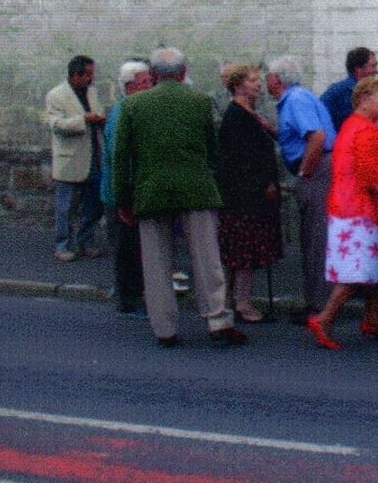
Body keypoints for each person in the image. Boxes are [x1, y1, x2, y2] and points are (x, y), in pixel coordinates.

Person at [113, 47, 246, 348]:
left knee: (157, 263)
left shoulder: (133, 105)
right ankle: (218, 320)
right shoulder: (200, 101)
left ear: (154, 75)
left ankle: (164, 328)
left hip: (151, 189)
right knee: (207, 258)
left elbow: (122, 157)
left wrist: (123, 198)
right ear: (184, 73)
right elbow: (212, 148)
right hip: (195, 187)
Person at [307, 77, 378, 350]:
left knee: (373, 268)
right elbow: (372, 176)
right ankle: (324, 319)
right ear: (363, 100)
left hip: (350, 207)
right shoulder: (365, 131)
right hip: (358, 211)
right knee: (357, 272)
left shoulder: (354, 127)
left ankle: (372, 319)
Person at [266, 56, 338, 321]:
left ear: (276, 79)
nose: (266, 83)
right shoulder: (301, 97)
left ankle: (319, 306)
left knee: (316, 237)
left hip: (317, 167)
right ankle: (319, 302)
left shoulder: (295, 100)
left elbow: (317, 137)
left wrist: (304, 173)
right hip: (321, 165)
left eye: (268, 77)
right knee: (316, 235)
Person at [217, 64, 283, 323]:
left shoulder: (250, 114)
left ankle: (234, 300)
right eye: (252, 80)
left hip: (251, 196)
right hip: (243, 197)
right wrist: (262, 183)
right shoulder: (236, 117)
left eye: (258, 80)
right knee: (242, 252)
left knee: (244, 251)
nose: (258, 84)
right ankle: (241, 303)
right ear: (238, 86)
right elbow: (239, 160)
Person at [100, 59, 151, 315]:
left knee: (132, 249)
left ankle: (131, 295)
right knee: (126, 250)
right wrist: (125, 198)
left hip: (125, 193)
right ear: (131, 86)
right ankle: (128, 300)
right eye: (146, 82)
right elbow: (121, 158)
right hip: (120, 195)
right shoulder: (124, 113)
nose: (150, 86)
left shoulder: (130, 109)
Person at [45, 54, 106, 262]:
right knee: (66, 207)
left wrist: (99, 119)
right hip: (70, 159)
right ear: (76, 75)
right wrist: (83, 119)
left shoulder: (92, 92)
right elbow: (56, 125)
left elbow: (97, 113)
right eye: (88, 74)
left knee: (95, 204)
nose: (92, 78)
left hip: (93, 158)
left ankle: (86, 240)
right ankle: (63, 245)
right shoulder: (56, 95)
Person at [321, 47, 378, 134]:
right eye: (373, 66)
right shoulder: (343, 92)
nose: (377, 71)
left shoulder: (362, 91)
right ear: (359, 69)